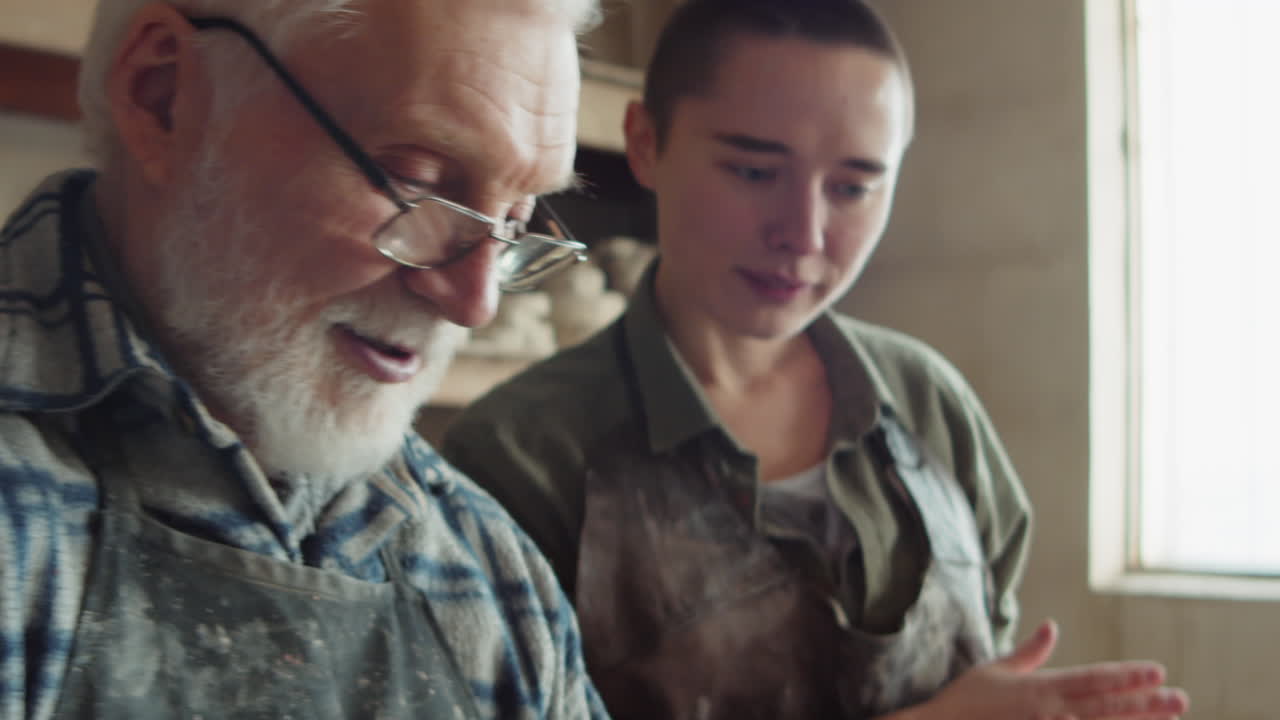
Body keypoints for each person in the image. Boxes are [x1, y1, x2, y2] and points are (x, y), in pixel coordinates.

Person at [441, 1, 1191, 718]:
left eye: (854, 187)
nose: (804, 233)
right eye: (755, 172)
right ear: (645, 141)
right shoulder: (524, 452)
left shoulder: (927, 401)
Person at [0, 0, 611, 717]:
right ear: (161, 95)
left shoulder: (489, 578)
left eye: (515, 225)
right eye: (415, 180)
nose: (475, 303)